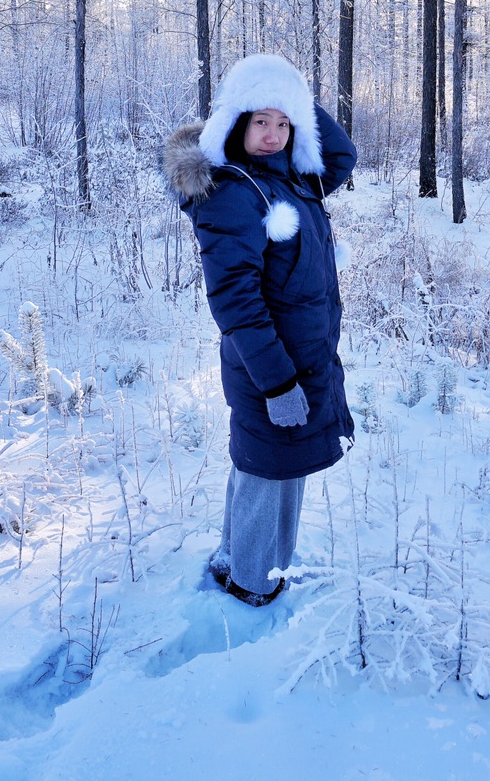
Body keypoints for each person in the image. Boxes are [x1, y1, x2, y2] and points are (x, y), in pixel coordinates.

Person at [163, 54, 358, 606]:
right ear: (236, 124)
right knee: (267, 471)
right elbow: (235, 301)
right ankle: (251, 585)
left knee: (273, 466)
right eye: (259, 121)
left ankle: (240, 561)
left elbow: (342, 155)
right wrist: (277, 384)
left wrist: (291, 92)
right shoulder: (232, 194)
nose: (272, 135)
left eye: (283, 123)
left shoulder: (289, 180)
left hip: (301, 358)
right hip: (271, 367)